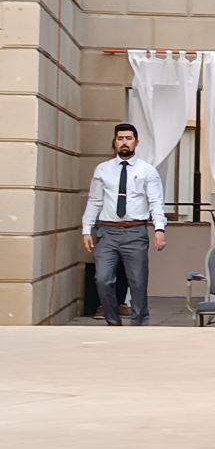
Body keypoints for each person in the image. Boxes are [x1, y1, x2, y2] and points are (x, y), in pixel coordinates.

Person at [82, 123, 167, 326]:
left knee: (137, 282)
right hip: (107, 232)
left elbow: (156, 202)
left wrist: (159, 229)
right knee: (102, 279)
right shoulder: (102, 169)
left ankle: (138, 323)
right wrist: (86, 228)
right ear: (115, 142)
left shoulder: (148, 171)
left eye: (128, 138)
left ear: (136, 142)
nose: (124, 142)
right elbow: (94, 200)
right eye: (120, 138)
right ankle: (113, 322)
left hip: (135, 231)